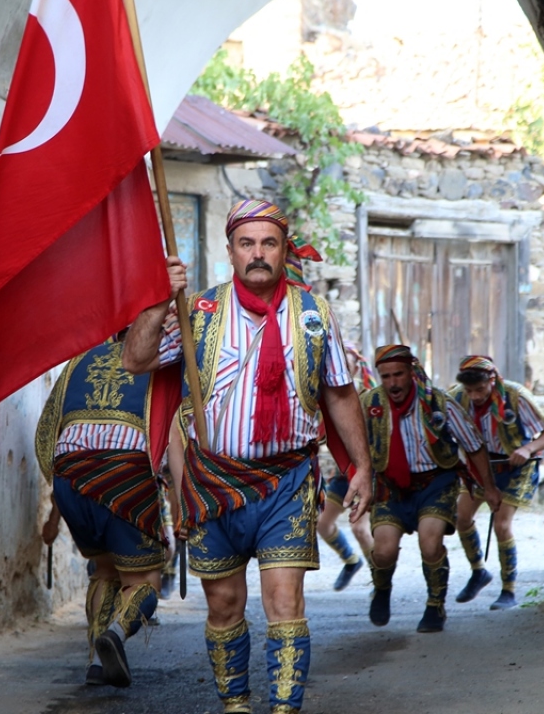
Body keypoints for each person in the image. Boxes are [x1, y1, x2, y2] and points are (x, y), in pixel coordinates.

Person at [123, 199, 374, 714]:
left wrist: (363, 465)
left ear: (283, 250)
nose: (257, 253)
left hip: (285, 482)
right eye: (247, 243)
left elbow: (340, 395)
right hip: (212, 484)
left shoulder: (313, 315)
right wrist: (158, 302)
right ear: (231, 250)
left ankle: (284, 708)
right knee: (223, 605)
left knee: (285, 603)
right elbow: (136, 359)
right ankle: (235, 706)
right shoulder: (200, 313)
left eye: (268, 243)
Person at [35, 336, 175, 688]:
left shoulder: (78, 361)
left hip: (72, 477)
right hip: (126, 474)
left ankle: (96, 664)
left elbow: (46, 437)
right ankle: (114, 635)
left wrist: (56, 513)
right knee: (144, 581)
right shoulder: (166, 362)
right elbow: (178, 437)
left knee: (105, 571)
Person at [362, 344, 496, 633]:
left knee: (430, 542)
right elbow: (351, 444)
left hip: (435, 482)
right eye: (385, 376)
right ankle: (382, 588)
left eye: (398, 374)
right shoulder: (369, 405)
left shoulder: (439, 403)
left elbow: (473, 446)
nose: (392, 383)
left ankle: (435, 604)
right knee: (383, 551)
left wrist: (489, 488)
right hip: (391, 487)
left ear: (411, 371)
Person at [450, 355, 544, 610]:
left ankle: (508, 590)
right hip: (482, 466)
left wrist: (528, 449)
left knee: (502, 525)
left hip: (518, 465)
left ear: (492, 380)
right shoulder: (457, 399)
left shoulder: (516, 397)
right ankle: (478, 571)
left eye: (480, 389)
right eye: (469, 390)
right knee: (461, 517)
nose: (473, 396)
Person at [317, 344, 376, 591]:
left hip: (366, 474)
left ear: (356, 366)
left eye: (346, 363)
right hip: (343, 474)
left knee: (360, 528)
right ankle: (351, 561)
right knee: (323, 525)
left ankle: (380, 580)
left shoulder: (370, 398)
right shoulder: (326, 396)